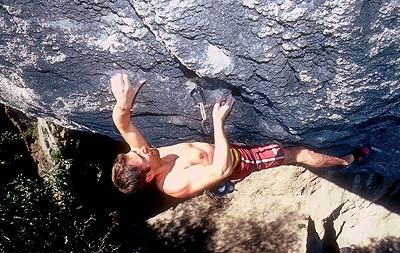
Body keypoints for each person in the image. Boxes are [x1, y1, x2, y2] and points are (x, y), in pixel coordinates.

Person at [110, 70, 370, 199]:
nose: (142, 148)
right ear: (150, 174)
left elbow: (124, 125)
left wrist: (123, 103)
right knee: (295, 153)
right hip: (239, 161)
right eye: (141, 156)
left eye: (136, 150)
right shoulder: (173, 184)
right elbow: (221, 169)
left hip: (224, 148)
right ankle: (346, 160)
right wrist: (218, 122)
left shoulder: (149, 155)